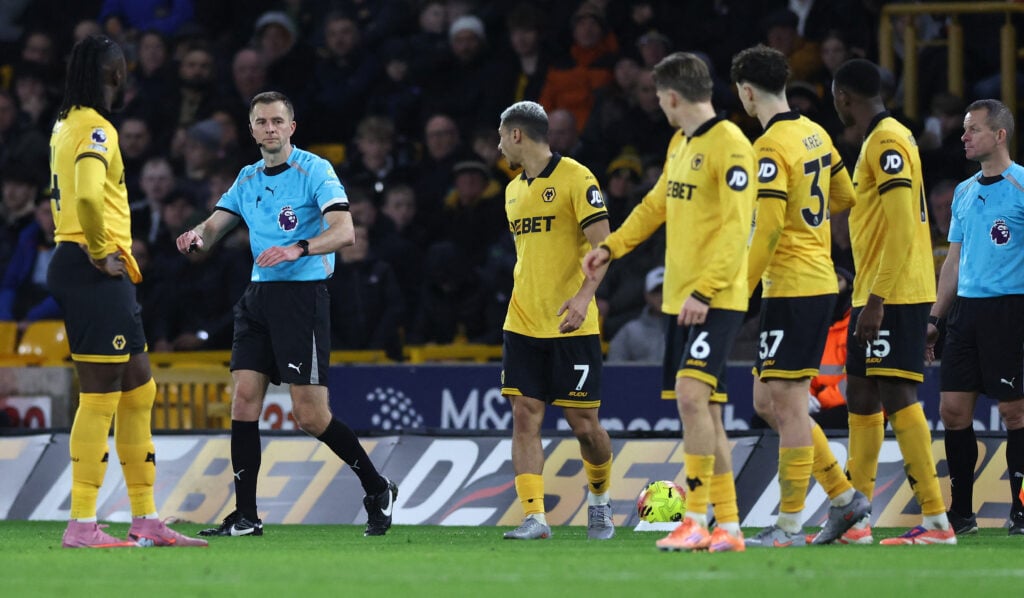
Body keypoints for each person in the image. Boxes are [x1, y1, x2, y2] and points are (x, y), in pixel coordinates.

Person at [174, 91, 397, 538]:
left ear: (291, 127)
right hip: (258, 298)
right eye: (262, 122)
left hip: (303, 297)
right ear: (253, 129)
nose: (270, 128)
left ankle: (376, 488)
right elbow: (216, 224)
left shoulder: (315, 170)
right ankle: (247, 516)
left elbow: (345, 231)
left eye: (278, 121)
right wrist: (195, 236)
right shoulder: (248, 177)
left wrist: (299, 247)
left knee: (310, 416)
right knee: (243, 400)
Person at [583, 51, 755, 553]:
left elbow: (736, 228)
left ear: (674, 96)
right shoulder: (681, 141)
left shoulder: (731, 146)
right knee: (709, 412)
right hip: (684, 299)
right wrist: (611, 247)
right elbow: (655, 204)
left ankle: (696, 517)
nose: (659, 105)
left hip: (714, 297)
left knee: (690, 397)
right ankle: (729, 526)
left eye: (659, 97)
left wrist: (704, 290)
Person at [48, 35, 206, 548]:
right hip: (92, 268)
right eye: (122, 69)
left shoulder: (65, 124)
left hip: (91, 268)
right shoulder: (96, 128)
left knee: (140, 389)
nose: (125, 75)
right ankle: (81, 523)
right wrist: (98, 249)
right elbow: (91, 195)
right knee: (100, 398)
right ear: (113, 74)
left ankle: (146, 517)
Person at [731, 44, 868, 547]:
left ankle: (789, 523)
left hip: (791, 286)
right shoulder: (816, 133)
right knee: (766, 399)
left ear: (747, 92)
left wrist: (737, 292)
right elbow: (845, 198)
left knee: (786, 404)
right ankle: (843, 497)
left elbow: (766, 230)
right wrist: (816, 235)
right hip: (812, 282)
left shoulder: (767, 147)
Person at [832, 58, 954, 545]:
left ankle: (937, 519)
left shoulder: (885, 141)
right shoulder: (879, 140)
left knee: (897, 395)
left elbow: (905, 225)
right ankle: (855, 518)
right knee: (860, 394)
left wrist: (878, 299)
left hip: (895, 292)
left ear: (844, 97)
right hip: (874, 291)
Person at [497, 100, 615, 541]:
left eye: (500, 136)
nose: (498, 146)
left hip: (572, 322)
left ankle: (600, 505)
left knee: (584, 425)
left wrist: (585, 298)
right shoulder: (511, 191)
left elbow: (603, 246)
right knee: (524, 416)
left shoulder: (577, 178)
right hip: (523, 320)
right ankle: (535, 518)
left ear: (517, 136)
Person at [927, 99, 1024, 536]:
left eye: (973, 130)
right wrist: (935, 316)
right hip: (965, 312)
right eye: (964, 129)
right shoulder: (964, 192)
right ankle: (961, 514)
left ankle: (1021, 511)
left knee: (1015, 413)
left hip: (1011, 310)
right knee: (952, 411)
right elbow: (954, 262)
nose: (963, 137)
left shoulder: (1023, 185)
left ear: (999, 136)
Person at [606, 266, 665, 363]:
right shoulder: (629, 331)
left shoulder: (684, 330)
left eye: (666, 290)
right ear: (646, 295)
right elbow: (614, 368)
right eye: (657, 290)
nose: (662, 295)